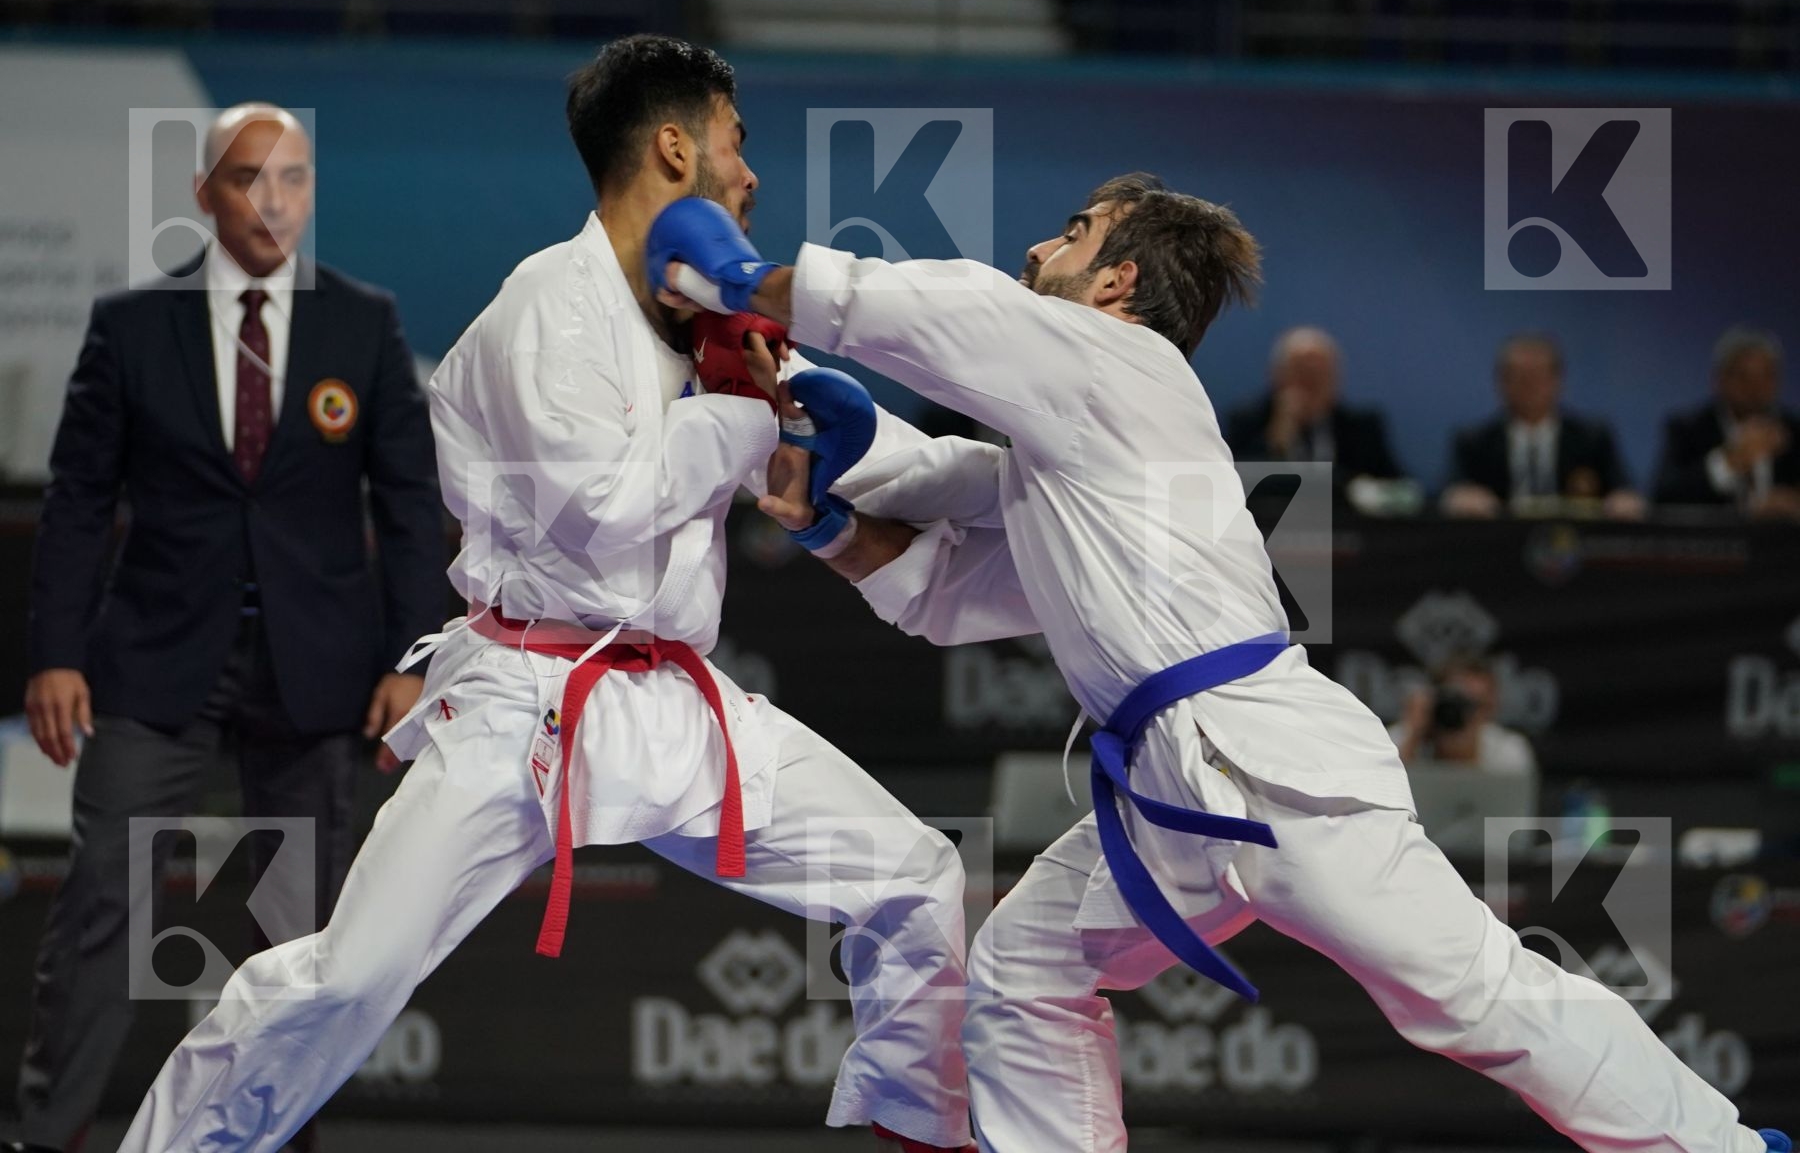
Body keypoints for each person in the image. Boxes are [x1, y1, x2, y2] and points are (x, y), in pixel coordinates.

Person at [650, 172, 1789, 1153]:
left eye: (1075, 231)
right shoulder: (1079, 457)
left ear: (1117, 286)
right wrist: (832, 518)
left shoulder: (1114, 363)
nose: (1039, 245)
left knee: (1474, 994)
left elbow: (943, 319)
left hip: (1270, 765)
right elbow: (946, 593)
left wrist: (751, 280)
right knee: (1025, 968)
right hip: (1160, 798)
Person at [110, 36, 974, 1153]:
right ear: (675, 146)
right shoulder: (544, 308)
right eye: (736, 141)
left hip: (676, 701)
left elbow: (877, 454)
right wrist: (761, 415)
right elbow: (606, 508)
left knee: (918, 878)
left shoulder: (715, 326)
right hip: (525, 702)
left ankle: (924, 1133)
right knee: (349, 978)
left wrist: (1015, 476)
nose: (752, 173)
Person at [12, 104, 443, 1153]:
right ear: (207, 195)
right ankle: (52, 1131)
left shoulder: (362, 323)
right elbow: (76, 498)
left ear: (309, 194)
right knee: (103, 904)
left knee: (296, 931)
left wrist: (410, 656)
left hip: (318, 667)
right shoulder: (129, 327)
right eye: (249, 178)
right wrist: (56, 652)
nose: (272, 199)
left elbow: (407, 501)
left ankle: (271, 1136)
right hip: (157, 658)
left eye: (292, 178)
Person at [1441, 332, 1643, 519]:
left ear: (1558, 381)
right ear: (1501, 382)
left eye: (1538, 376)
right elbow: (1449, 491)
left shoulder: (1592, 438)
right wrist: (1460, 496)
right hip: (1498, 545)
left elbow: (1623, 491)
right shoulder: (1475, 441)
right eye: (1520, 377)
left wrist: (1623, 500)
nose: (1529, 386)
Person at [1223, 325, 1407, 500]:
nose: (1311, 385)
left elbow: (1398, 487)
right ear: (1276, 375)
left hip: (1344, 527)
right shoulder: (1249, 420)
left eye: (1320, 375)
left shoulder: (1361, 427)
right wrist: (1277, 439)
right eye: (1301, 374)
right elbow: (1232, 482)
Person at [1653, 325, 1800, 520]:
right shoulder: (1688, 429)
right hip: (1711, 546)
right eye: (1744, 377)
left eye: (1766, 377)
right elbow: (1663, 497)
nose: (1755, 389)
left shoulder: (1793, 431)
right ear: (1719, 379)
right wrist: (1729, 462)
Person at [1390, 656, 1535, 774]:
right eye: (1458, 703)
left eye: (1478, 706)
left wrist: (1470, 756)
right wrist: (1413, 738)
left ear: (1492, 708)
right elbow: (1384, 795)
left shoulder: (1509, 750)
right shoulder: (1394, 742)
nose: (1467, 715)